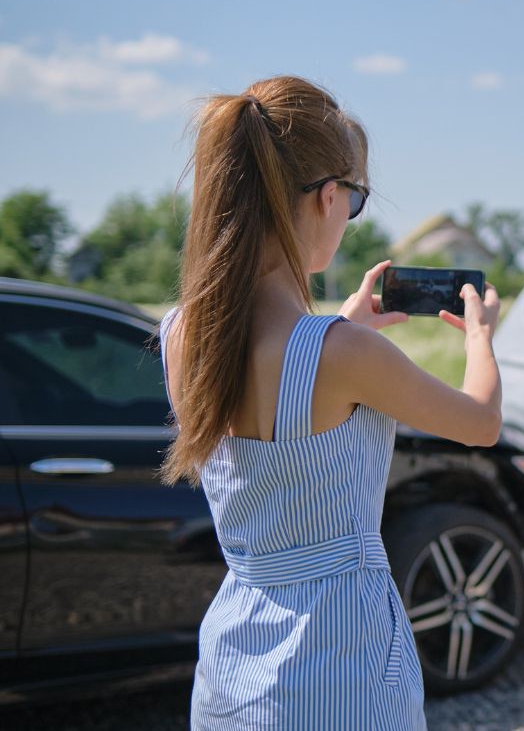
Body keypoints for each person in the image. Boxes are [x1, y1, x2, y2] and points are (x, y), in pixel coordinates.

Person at [158, 75, 502, 730]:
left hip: (233, 671)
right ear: (327, 196)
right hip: (340, 671)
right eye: (356, 199)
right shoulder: (341, 355)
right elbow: (481, 422)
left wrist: (344, 326)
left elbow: (284, 375)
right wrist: (481, 336)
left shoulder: (181, 333)